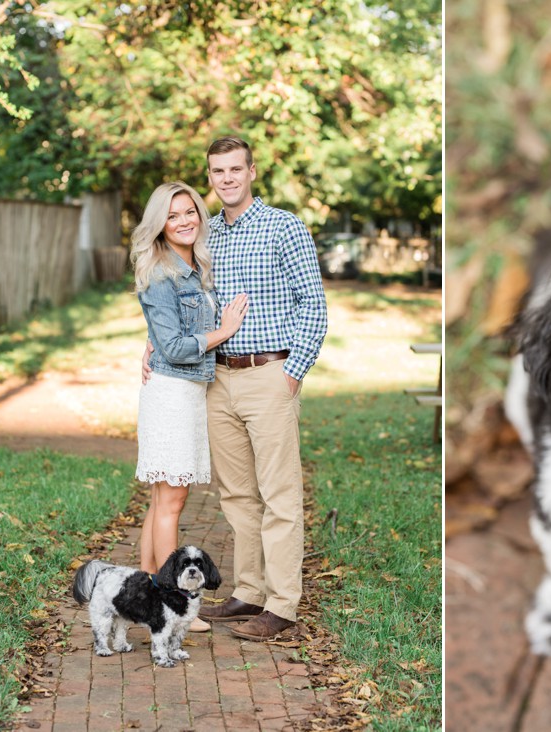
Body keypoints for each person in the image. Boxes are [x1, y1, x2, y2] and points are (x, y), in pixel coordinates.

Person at [144, 137, 328, 642]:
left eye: (234, 169)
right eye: (216, 171)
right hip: (216, 377)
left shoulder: (284, 227)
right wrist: (152, 343)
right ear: (210, 177)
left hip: (271, 373)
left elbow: (313, 305)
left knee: (280, 495)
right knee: (238, 495)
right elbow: (181, 301)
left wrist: (294, 372)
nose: (226, 178)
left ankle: (282, 603)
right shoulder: (206, 238)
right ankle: (249, 590)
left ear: (251, 171)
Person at [131, 181, 248, 632]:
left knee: (162, 497)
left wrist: (151, 340)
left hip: (189, 391)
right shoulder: (160, 271)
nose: (183, 221)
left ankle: (142, 590)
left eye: (189, 212)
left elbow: (167, 330)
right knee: (172, 500)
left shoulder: (195, 263)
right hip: (171, 393)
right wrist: (225, 330)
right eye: (172, 216)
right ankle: (170, 602)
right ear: (159, 224)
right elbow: (179, 345)